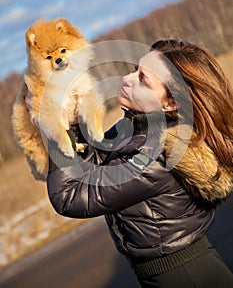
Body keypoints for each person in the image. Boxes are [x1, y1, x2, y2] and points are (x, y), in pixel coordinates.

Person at [46, 39, 233, 287]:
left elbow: (70, 197)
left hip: (184, 276)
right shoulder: (137, 127)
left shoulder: (157, 156)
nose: (127, 78)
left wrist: (53, 131)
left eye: (143, 80)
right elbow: (93, 165)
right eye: (135, 69)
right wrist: (70, 123)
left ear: (170, 103)